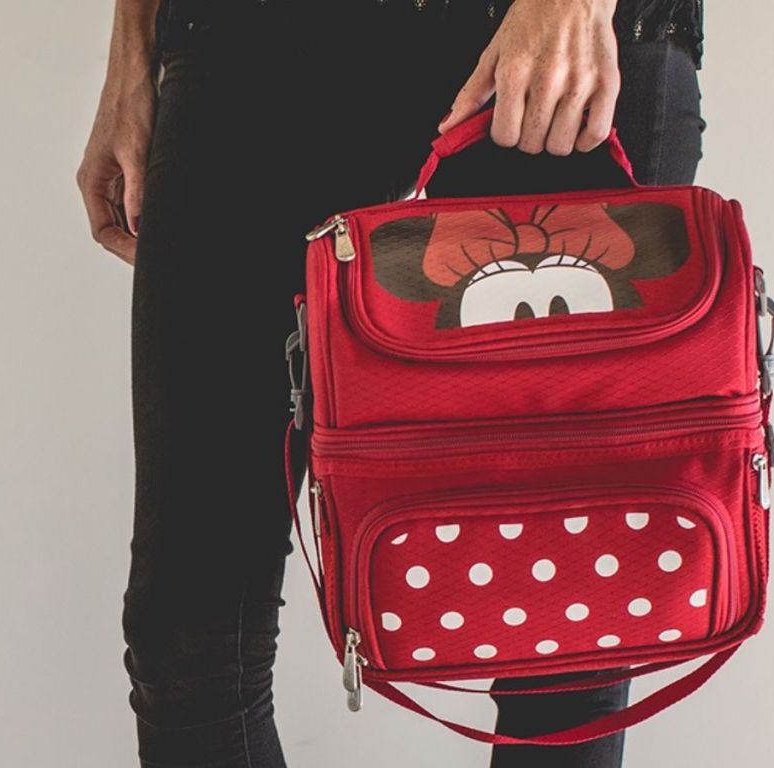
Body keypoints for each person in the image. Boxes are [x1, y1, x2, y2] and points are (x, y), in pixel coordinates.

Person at [76, 1, 705, 765]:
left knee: (568, 634)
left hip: (549, 28)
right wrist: (131, 54)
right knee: (188, 635)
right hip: (247, 33)